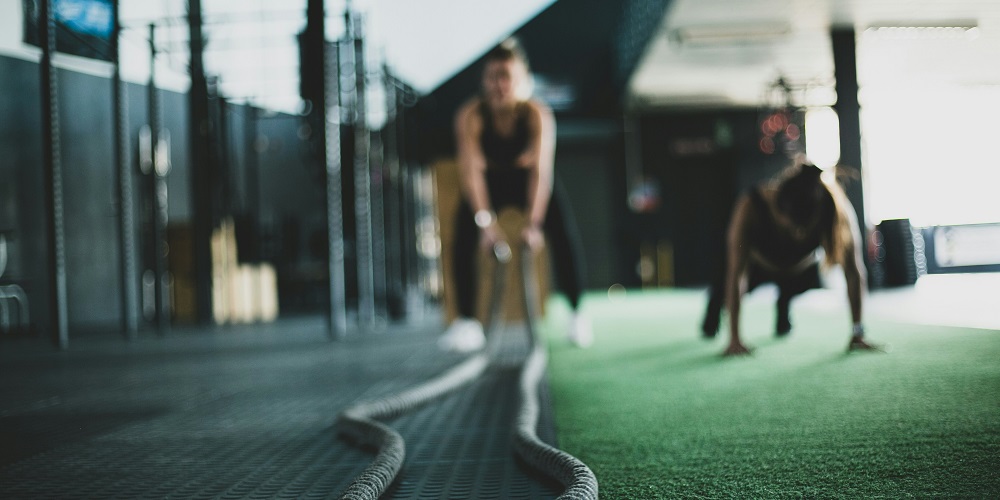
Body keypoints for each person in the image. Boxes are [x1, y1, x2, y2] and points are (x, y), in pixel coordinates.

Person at [438, 38, 591, 352]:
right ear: (484, 81)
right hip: (490, 182)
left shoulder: (536, 115)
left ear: (522, 80)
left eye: (506, 76)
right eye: (492, 77)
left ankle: (577, 314)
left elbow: (541, 173)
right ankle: (467, 323)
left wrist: (534, 225)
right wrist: (485, 225)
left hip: (526, 182)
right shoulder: (471, 116)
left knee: (563, 232)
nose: (499, 85)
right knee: (462, 233)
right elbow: (472, 174)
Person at [701, 162, 882, 356]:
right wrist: (735, 339)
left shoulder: (835, 211)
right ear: (779, 209)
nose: (797, 234)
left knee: (802, 284)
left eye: (803, 229)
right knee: (721, 292)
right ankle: (713, 311)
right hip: (758, 266)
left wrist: (858, 332)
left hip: (799, 270)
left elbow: (853, 272)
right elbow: (737, 273)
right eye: (792, 227)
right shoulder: (751, 205)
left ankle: (783, 302)